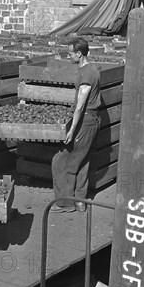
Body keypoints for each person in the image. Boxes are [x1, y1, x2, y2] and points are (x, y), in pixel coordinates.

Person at [51, 37, 101, 213]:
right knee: (82, 160)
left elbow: (80, 105)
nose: (68, 56)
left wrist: (72, 130)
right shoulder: (89, 69)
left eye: (70, 53)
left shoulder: (87, 74)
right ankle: (80, 201)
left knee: (62, 161)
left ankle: (66, 203)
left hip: (85, 121)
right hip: (90, 120)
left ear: (79, 54)